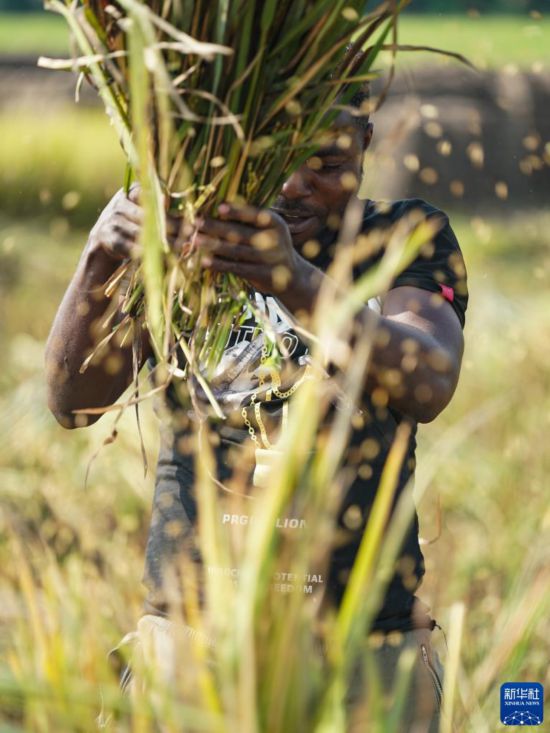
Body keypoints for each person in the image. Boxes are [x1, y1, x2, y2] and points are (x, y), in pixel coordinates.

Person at [45, 90, 467, 731]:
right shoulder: (185, 242)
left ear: (366, 143)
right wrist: (101, 258)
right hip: (194, 638)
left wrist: (293, 280)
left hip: (366, 649)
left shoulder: (404, 236)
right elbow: (74, 405)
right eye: (273, 158)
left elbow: (430, 380)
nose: (296, 185)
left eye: (325, 161)